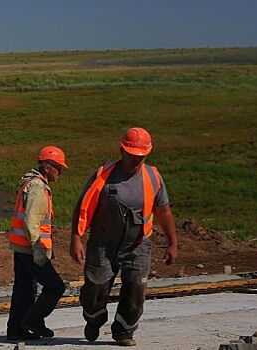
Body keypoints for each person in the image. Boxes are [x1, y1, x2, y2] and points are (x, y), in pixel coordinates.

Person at [70, 127, 178, 347]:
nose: (136, 160)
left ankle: (124, 331)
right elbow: (82, 207)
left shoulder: (153, 177)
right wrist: (75, 237)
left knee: (136, 289)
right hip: (103, 242)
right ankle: (94, 319)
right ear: (122, 150)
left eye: (141, 156)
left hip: (137, 243)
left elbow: (163, 211)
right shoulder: (104, 176)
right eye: (132, 155)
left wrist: (172, 243)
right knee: (96, 288)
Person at [6, 146, 69, 341]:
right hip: (31, 248)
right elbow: (31, 221)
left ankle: (16, 330)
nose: (61, 172)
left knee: (24, 289)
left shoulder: (30, 183)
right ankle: (34, 320)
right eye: (58, 167)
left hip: (21, 246)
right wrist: (39, 248)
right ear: (47, 167)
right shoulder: (38, 189)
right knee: (55, 287)